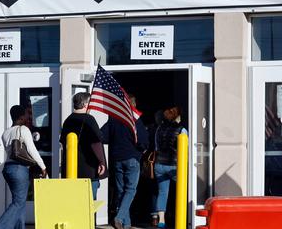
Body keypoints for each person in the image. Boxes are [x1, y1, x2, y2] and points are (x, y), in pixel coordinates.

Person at [0, 105, 47, 229]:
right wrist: (43, 166)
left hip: (8, 169)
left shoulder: (5, 133)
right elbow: (32, 150)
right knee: (18, 203)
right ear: (21, 117)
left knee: (20, 201)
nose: (28, 117)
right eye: (26, 115)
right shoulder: (23, 129)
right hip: (19, 169)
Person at [101, 96, 149, 229]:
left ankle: (126, 224)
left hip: (117, 159)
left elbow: (102, 136)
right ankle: (119, 217)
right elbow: (143, 141)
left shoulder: (114, 118)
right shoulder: (135, 119)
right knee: (130, 190)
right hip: (132, 158)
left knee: (122, 191)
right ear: (133, 106)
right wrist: (142, 149)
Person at [60, 92, 107, 200]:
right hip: (89, 168)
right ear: (86, 104)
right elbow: (96, 141)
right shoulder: (89, 119)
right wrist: (101, 162)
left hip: (71, 170)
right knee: (90, 202)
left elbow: (62, 142)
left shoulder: (68, 120)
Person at [152, 106, 187, 228]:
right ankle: (182, 218)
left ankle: (161, 221)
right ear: (178, 116)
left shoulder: (159, 129)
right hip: (174, 166)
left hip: (159, 164)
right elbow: (185, 150)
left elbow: (156, 147)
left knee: (162, 192)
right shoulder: (182, 130)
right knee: (183, 191)